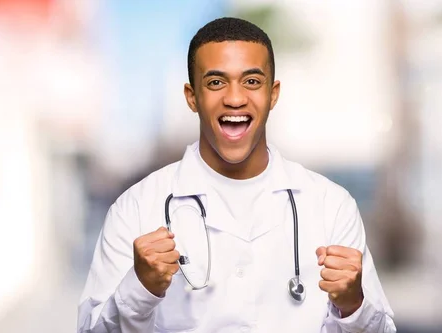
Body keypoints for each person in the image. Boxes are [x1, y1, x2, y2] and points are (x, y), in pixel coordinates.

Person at [77, 17, 396, 332]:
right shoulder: (134, 210)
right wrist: (139, 288)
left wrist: (354, 304)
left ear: (273, 94)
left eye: (252, 81)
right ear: (192, 97)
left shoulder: (331, 206)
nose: (234, 98)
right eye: (216, 82)